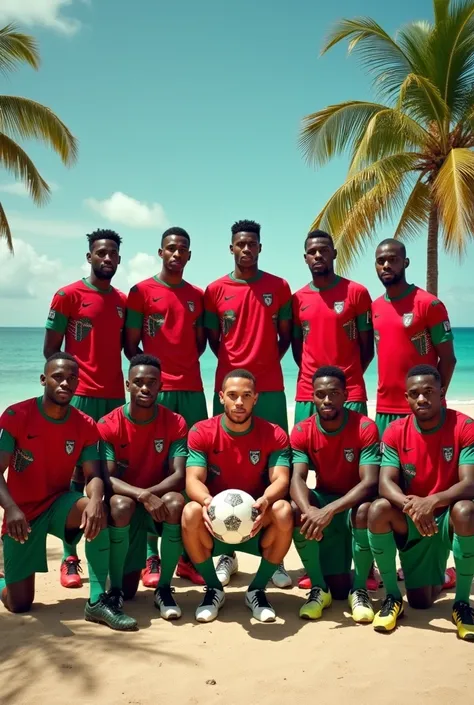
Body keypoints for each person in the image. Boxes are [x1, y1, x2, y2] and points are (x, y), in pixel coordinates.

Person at [0, 352, 136, 631]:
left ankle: (97, 601)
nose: (65, 383)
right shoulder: (17, 415)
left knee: (96, 510)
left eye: (72, 378)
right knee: (19, 604)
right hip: (21, 515)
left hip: (57, 504)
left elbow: (93, 474)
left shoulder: (84, 424)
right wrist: (11, 508)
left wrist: (97, 500)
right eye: (58, 377)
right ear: (43, 380)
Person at [204, 219, 293, 588]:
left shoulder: (279, 287)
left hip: (269, 388)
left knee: (272, 470)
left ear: (259, 247)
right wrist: (235, 374)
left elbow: (285, 339)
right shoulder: (214, 290)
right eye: (240, 244)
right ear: (231, 248)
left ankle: (277, 557)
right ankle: (226, 551)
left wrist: (263, 367)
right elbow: (212, 340)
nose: (246, 249)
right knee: (224, 466)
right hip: (228, 388)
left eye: (252, 244)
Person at [44, 228, 126, 589]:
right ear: (89, 256)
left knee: (110, 474)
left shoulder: (122, 301)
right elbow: (52, 353)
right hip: (80, 398)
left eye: (112, 254)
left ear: (119, 260)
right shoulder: (67, 296)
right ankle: (69, 557)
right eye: (100, 253)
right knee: (72, 476)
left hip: (114, 400)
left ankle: (113, 552)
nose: (106, 258)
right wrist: (67, 392)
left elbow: (128, 350)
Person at [125, 227, 207, 588]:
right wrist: (154, 381)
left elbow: (201, 343)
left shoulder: (197, 296)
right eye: (171, 248)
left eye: (182, 249)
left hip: (191, 391)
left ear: (189, 255)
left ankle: (189, 556)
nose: (176, 254)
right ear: (160, 252)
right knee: (149, 467)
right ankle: (151, 555)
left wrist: (182, 369)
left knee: (192, 468)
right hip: (157, 392)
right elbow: (131, 347)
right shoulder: (141, 292)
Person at [368, 365, 474, 640]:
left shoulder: (463, 426)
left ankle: (462, 602)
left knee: (466, 510)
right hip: (414, 518)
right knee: (421, 601)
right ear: (406, 398)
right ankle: (393, 596)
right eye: (414, 394)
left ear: (442, 392)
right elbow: (385, 483)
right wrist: (413, 506)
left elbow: (469, 483)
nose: (422, 399)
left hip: (447, 516)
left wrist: (433, 501)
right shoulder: (394, 431)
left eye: (428, 392)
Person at [182, 369, 293, 623]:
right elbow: (193, 481)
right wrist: (208, 503)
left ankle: (257, 589)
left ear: (256, 398)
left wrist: (265, 501)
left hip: (258, 520)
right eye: (232, 395)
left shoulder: (274, 433)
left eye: (246, 395)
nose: (239, 402)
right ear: (221, 397)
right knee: (190, 511)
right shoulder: (202, 431)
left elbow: (281, 480)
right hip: (215, 523)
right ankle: (213, 589)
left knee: (284, 510)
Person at [99, 354, 187, 620]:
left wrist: (152, 496)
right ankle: (114, 589)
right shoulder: (109, 424)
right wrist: (142, 495)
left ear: (161, 386)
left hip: (158, 506)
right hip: (127, 507)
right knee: (128, 592)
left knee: (176, 501)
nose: (145, 388)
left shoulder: (175, 422)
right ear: (128, 385)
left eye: (152, 382)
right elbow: (107, 478)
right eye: (138, 382)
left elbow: (179, 474)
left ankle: (164, 588)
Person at [290, 366, 380, 622]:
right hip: (323, 499)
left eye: (333, 393)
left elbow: (370, 482)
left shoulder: (365, 427)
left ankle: (360, 588)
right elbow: (296, 477)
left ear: (345, 395)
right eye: (320, 394)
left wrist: (328, 511)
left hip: (354, 505)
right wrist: (310, 511)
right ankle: (319, 588)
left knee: (366, 509)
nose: (326, 400)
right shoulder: (301, 430)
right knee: (295, 508)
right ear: (313, 396)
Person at [372, 239, 456, 437]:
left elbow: (448, 359)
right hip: (384, 409)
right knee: (387, 468)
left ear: (405, 262)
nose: (386, 265)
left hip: (421, 409)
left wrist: (435, 397)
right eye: (381, 260)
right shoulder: (375, 307)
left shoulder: (429, 304)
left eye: (393, 259)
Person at [292, 230, 373, 421]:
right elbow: (297, 349)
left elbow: (368, 349)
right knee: (306, 449)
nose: (318, 255)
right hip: (308, 392)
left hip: (349, 391)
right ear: (305, 258)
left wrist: (344, 378)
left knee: (355, 449)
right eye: (312, 252)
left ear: (334, 253)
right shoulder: (297, 299)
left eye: (324, 250)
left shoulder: (357, 293)